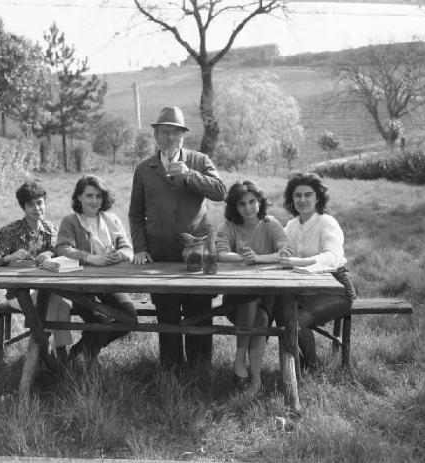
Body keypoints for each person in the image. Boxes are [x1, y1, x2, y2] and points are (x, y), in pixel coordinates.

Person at [129, 106, 227, 370]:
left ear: (183, 135)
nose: (170, 138)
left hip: (196, 256)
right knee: (167, 314)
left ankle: (200, 367)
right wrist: (139, 248)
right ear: (156, 136)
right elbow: (136, 213)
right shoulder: (144, 169)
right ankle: (171, 370)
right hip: (159, 256)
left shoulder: (199, 160)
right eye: (164, 132)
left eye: (175, 133)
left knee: (199, 312)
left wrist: (190, 175)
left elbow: (220, 191)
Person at [215, 181, 289, 394]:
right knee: (255, 307)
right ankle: (252, 376)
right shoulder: (228, 226)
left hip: (267, 296)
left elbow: (285, 252)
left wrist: (257, 258)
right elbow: (220, 253)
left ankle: (247, 370)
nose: (248, 208)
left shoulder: (270, 224)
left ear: (260, 202)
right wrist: (240, 257)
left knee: (261, 312)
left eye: (252, 202)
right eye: (242, 204)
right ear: (234, 207)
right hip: (235, 299)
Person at [0, 181, 72, 360]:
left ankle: (52, 351)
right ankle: (49, 352)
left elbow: (60, 250)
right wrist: (10, 257)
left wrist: (49, 253)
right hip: (19, 295)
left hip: (47, 290)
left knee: (62, 302)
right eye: (31, 204)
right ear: (23, 207)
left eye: (40, 203)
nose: (37, 208)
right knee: (59, 303)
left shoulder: (50, 229)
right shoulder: (11, 232)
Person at [280, 172, 357, 369]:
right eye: (297, 195)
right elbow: (282, 254)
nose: (303, 200)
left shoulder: (326, 222)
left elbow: (333, 257)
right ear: (291, 199)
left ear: (318, 198)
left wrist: (299, 262)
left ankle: (311, 368)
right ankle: (292, 365)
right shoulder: (291, 226)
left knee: (295, 322)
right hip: (305, 289)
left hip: (338, 290)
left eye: (308, 195)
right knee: (279, 313)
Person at [56, 174, 137, 361]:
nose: (94, 200)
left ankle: (82, 349)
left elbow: (128, 248)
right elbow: (62, 248)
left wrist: (121, 254)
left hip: (110, 283)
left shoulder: (112, 219)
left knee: (130, 319)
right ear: (78, 197)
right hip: (81, 287)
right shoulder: (71, 220)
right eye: (89, 196)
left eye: (98, 196)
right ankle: (88, 356)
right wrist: (91, 258)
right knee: (100, 322)